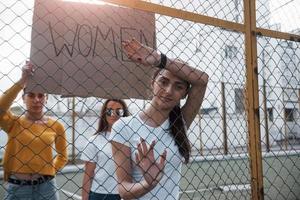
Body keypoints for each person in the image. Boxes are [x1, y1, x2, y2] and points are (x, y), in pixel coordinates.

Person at [110, 38, 209, 199]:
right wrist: (148, 183)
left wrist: (159, 59)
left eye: (178, 86)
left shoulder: (180, 122)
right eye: (163, 82)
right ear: (153, 83)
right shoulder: (123, 127)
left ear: (185, 93)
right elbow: (123, 189)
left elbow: (202, 80)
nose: (169, 91)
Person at [0, 61, 68, 199]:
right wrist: (22, 80)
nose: (37, 100)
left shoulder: (57, 126)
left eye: (41, 95)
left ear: (46, 99)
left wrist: (49, 171)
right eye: (31, 95)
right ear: (23, 99)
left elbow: (63, 156)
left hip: (47, 188)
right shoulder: (14, 123)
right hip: (18, 188)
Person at [81, 99, 130, 200]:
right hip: (100, 195)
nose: (113, 114)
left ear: (124, 114)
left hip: (126, 193)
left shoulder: (132, 139)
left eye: (118, 111)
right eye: (109, 111)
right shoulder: (94, 140)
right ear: (104, 113)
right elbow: (88, 175)